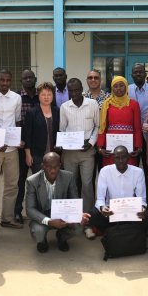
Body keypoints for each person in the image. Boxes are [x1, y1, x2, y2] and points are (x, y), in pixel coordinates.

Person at [26, 152, 91, 254]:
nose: (53, 170)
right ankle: (42, 241)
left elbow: (74, 201)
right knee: (37, 232)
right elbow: (30, 209)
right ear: (43, 166)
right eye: (49, 167)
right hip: (42, 215)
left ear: (60, 165)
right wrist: (49, 221)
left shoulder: (68, 177)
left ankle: (61, 237)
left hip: (63, 214)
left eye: (56, 167)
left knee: (79, 227)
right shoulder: (32, 181)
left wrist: (79, 215)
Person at [59, 77, 100, 237]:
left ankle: (88, 220)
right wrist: (63, 143)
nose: (74, 93)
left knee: (87, 184)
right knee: (70, 184)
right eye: (71, 91)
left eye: (77, 90)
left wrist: (91, 142)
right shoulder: (64, 107)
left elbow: (97, 126)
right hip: (70, 152)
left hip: (87, 151)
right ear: (68, 91)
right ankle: (72, 219)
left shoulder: (92, 104)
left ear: (82, 88)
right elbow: (62, 129)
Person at [0, 69, 24, 229]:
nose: (5, 83)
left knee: (12, 184)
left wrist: (18, 139)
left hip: (12, 149)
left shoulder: (16, 98)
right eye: (2, 80)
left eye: (8, 80)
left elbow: (17, 121)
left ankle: (7, 218)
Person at [88, 146, 148, 236]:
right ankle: (126, 228)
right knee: (93, 214)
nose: (120, 160)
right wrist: (102, 208)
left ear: (128, 157)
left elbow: (142, 199)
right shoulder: (105, 171)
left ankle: (115, 229)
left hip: (131, 210)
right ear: (113, 158)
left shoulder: (138, 172)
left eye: (123, 157)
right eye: (117, 158)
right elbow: (100, 198)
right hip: (111, 211)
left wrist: (142, 208)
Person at [97, 76, 143, 167]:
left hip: (129, 148)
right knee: (111, 174)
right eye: (115, 86)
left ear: (126, 87)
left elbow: (137, 127)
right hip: (110, 147)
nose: (118, 88)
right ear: (112, 88)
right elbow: (102, 127)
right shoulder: (107, 104)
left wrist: (138, 146)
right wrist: (100, 147)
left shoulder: (134, 104)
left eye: (121, 85)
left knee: (129, 173)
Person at [15, 69, 39, 224]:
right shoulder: (17, 98)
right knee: (20, 180)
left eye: (31, 77)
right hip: (21, 146)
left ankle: (38, 212)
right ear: (21, 81)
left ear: (35, 79)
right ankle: (17, 211)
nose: (29, 80)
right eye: (25, 78)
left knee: (38, 181)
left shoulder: (41, 96)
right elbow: (14, 121)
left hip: (38, 145)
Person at [128, 63, 148, 173]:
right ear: (131, 75)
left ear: (145, 74)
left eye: (140, 72)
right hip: (132, 135)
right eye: (135, 72)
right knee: (132, 167)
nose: (138, 74)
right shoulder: (126, 90)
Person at [24, 82, 59, 173]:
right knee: (39, 183)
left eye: (49, 94)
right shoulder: (31, 112)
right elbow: (27, 135)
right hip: (37, 155)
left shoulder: (57, 111)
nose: (46, 97)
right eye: (43, 94)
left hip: (54, 154)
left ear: (53, 96)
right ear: (38, 96)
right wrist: (28, 154)